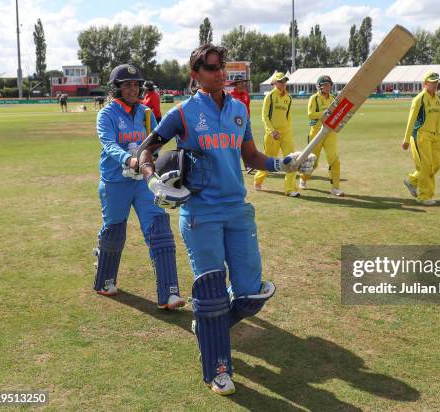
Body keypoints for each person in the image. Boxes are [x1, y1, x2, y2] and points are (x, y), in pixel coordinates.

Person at [135, 44, 315, 395]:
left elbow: (251, 156)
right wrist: (151, 177)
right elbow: (147, 148)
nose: (220, 74)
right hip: (201, 213)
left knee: (250, 293)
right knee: (211, 293)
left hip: (238, 211)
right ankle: (217, 368)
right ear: (196, 74)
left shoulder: (238, 110)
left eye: (223, 68)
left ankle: (207, 322)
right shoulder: (184, 113)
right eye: (212, 68)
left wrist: (284, 164)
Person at [93, 63, 185, 310]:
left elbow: (155, 144)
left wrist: (153, 159)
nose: (133, 89)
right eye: (127, 85)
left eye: (136, 85)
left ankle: (169, 293)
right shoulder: (107, 114)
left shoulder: (146, 113)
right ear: (116, 88)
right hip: (115, 183)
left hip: (144, 183)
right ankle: (105, 280)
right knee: (114, 232)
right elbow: (109, 144)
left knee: (160, 230)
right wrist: (129, 159)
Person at [253, 72, 299, 196]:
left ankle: (289, 189)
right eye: (280, 81)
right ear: (274, 83)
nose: (283, 84)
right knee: (269, 161)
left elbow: (288, 118)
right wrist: (272, 131)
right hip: (272, 134)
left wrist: (288, 132)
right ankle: (258, 179)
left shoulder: (288, 98)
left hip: (285, 134)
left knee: (292, 160)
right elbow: (264, 116)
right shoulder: (270, 97)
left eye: (284, 81)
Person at [401, 71, 440, 206]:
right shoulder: (419, 99)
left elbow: (437, 119)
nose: (435, 85)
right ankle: (424, 196)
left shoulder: (438, 98)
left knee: (435, 165)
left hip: (435, 136)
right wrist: (406, 139)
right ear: (425, 84)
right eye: (432, 82)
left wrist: (438, 134)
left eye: (437, 82)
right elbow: (411, 119)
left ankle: (413, 181)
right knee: (425, 166)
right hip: (420, 136)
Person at [299, 75, 344, 196]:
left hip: (330, 133)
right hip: (316, 133)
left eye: (329, 85)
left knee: (334, 160)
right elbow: (310, 114)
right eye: (325, 85)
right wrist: (325, 113)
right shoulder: (314, 98)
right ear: (319, 87)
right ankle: (303, 178)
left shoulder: (334, 98)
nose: (328, 87)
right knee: (313, 161)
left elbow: (339, 113)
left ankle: (335, 187)